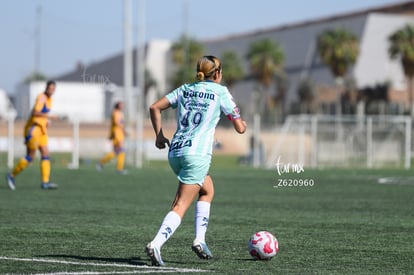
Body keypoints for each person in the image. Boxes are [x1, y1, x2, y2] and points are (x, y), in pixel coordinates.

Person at [146, 55, 247, 266]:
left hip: (176, 152)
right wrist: (242, 123)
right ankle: (156, 243)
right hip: (197, 155)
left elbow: (155, 107)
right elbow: (240, 128)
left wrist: (159, 135)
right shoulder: (220, 92)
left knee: (208, 189)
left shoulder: (185, 88)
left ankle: (199, 241)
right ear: (217, 73)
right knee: (180, 204)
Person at [7, 80, 59, 190]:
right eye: (50, 88)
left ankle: (45, 182)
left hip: (42, 131)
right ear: (46, 88)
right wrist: (49, 117)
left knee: (45, 154)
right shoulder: (42, 97)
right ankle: (12, 175)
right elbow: (35, 112)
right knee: (30, 157)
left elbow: (41, 115)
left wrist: (46, 122)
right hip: (34, 129)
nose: (51, 90)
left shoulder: (49, 99)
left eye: (53, 89)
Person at [96, 101, 127, 174]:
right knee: (121, 151)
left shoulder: (119, 113)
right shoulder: (115, 113)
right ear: (117, 106)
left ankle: (101, 162)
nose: (122, 106)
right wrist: (124, 130)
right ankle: (119, 169)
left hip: (119, 134)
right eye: (121, 105)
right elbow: (118, 123)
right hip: (117, 135)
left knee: (117, 152)